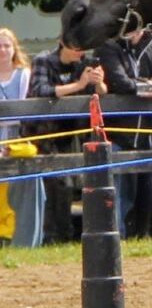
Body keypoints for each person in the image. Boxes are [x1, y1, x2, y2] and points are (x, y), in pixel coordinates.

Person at [28, 41, 107, 243]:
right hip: (43, 133)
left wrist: (98, 82)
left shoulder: (84, 64)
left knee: (70, 186)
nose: (80, 52)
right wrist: (78, 85)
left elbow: (101, 93)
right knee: (53, 186)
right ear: (63, 43)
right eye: (76, 47)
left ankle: (64, 235)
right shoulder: (43, 61)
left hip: (71, 133)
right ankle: (51, 237)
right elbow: (40, 91)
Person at [96, 28, 152, 237]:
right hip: (118, 132)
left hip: (146, 133)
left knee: (147, 194)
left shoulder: (150, 43)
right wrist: (146, 87)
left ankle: (140, 236)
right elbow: (120, 82)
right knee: (120, 193)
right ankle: (116, 236)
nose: (134, 31)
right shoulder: (109, 46)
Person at [0, 28, 44, 247]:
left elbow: (25, 109)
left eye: (7, 45)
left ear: (14, 49)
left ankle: (19, 237)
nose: (3, 50)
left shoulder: (23, 74)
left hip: (18, 136)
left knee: (18, 186)